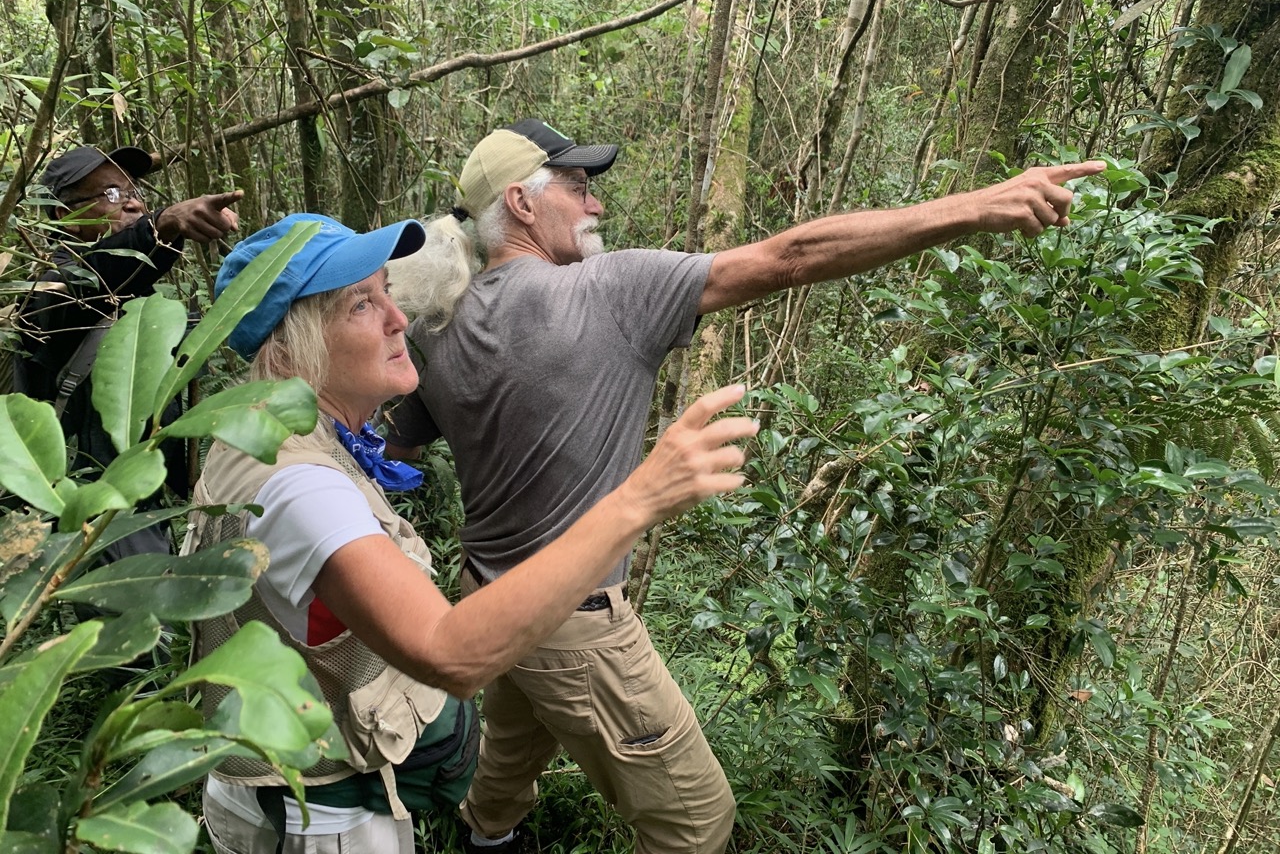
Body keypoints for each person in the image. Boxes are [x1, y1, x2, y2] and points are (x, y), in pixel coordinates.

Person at [381, 118, 1105, 854]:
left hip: (490, 604)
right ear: (524, 204)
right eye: (578, 187)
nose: (596, 204)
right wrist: (974, 207)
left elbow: (397, 447)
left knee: (501, 779)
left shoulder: (437, 327)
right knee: (699, 825)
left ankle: (487, 838)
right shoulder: (609, 292)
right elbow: (791, 256)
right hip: (575, 626)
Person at [187, 212, 756, 854]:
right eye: (360, 305)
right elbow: (449, 653)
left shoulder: (251, 428)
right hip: (324, 817)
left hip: (264, 784)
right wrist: (638, 499)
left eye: (387, 293)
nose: (397, 319)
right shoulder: (303, 486)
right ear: (287, 347)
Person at [15, 144, 240, 562]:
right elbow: (98, 277)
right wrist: (166, 223)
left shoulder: (131, 292)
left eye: (133, 190)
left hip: (141, 494)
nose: (134, 203)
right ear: (65, 216)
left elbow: (127, 272)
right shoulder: (48, 291)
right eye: (113, 195)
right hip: (94, 503)